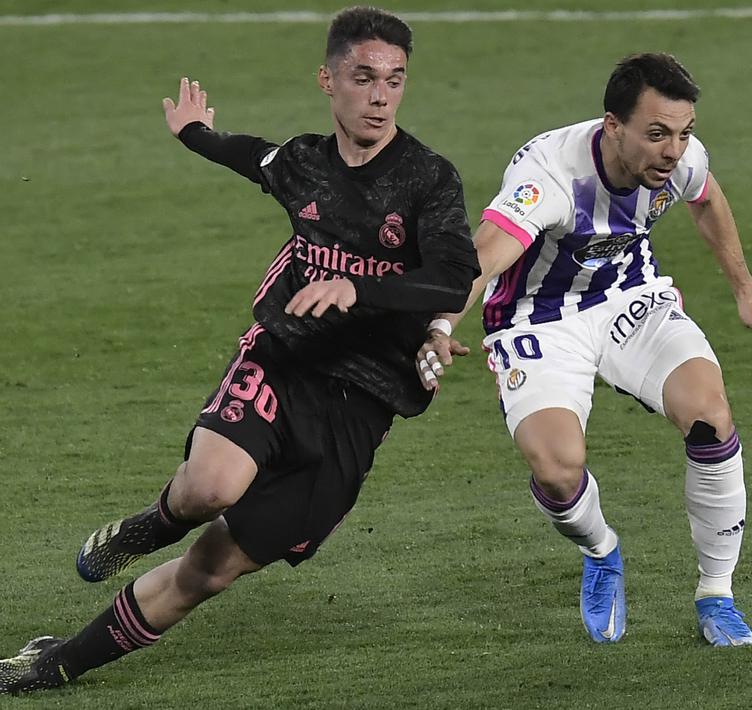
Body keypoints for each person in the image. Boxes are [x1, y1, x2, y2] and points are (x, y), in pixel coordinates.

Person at [0, 7, 478, 694]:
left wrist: (356, 288)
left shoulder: (428, 178)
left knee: (211, 571)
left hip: (361, 406)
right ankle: (147, 527)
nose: (379, 96)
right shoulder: (304, 163)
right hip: (284, 359)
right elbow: (249, 156)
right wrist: (194, 131)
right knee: (208, 489)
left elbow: (451, 274)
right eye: (364, 78)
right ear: (328, 80)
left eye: (394, 81)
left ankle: (58, 659)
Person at [417, 53, 752, 646]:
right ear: (612, 126)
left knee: (710, 417)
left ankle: (717, 595)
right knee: (558, 469)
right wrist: (440, 322)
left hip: (628, 299)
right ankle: (601, 550)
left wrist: (746, 292)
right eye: (657, 134)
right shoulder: (552, 177)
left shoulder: (680, 160)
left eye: (683, 133)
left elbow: (708, 200)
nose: (673, 151)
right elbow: (485, 254)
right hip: (537, 320)